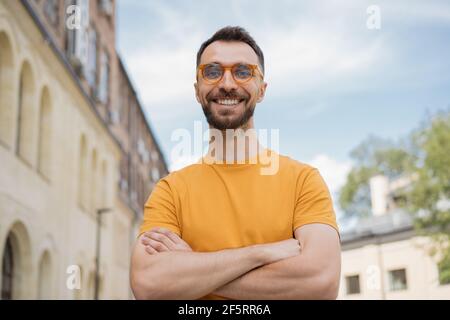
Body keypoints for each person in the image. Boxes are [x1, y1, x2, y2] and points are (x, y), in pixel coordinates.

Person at [130, 26, 341, 300]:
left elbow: (320, 282)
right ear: (197, 90)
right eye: (212, 71)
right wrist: (260, 254)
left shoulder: (303, 181)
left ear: (262, 90)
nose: (227, 84)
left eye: (243, 72)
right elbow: (148, 282)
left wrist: (193, 266)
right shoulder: (170, 191)